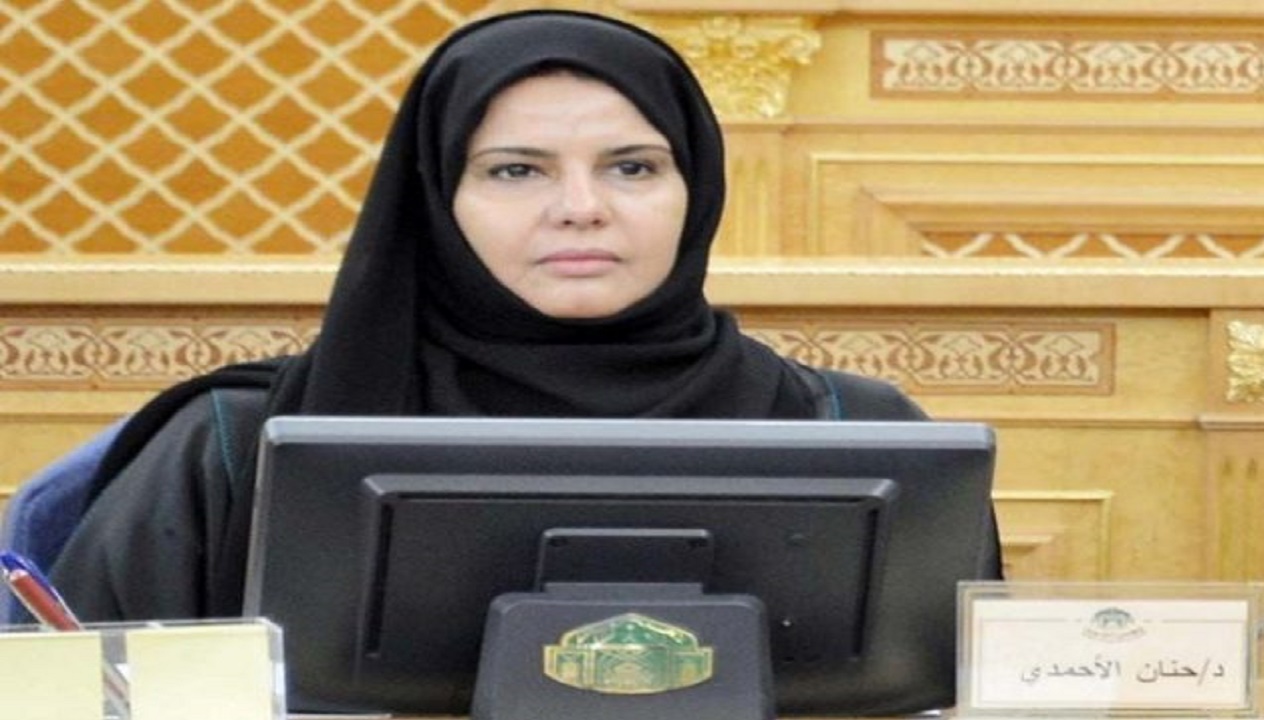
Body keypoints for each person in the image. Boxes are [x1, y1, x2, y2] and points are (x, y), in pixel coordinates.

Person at [49, 9, 997, 621]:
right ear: (437, 198)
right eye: (515, 171)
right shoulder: (235, 447)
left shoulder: (864, 437)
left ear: (695, 188)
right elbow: (87, 691)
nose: (582, 208)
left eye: (632, 167)